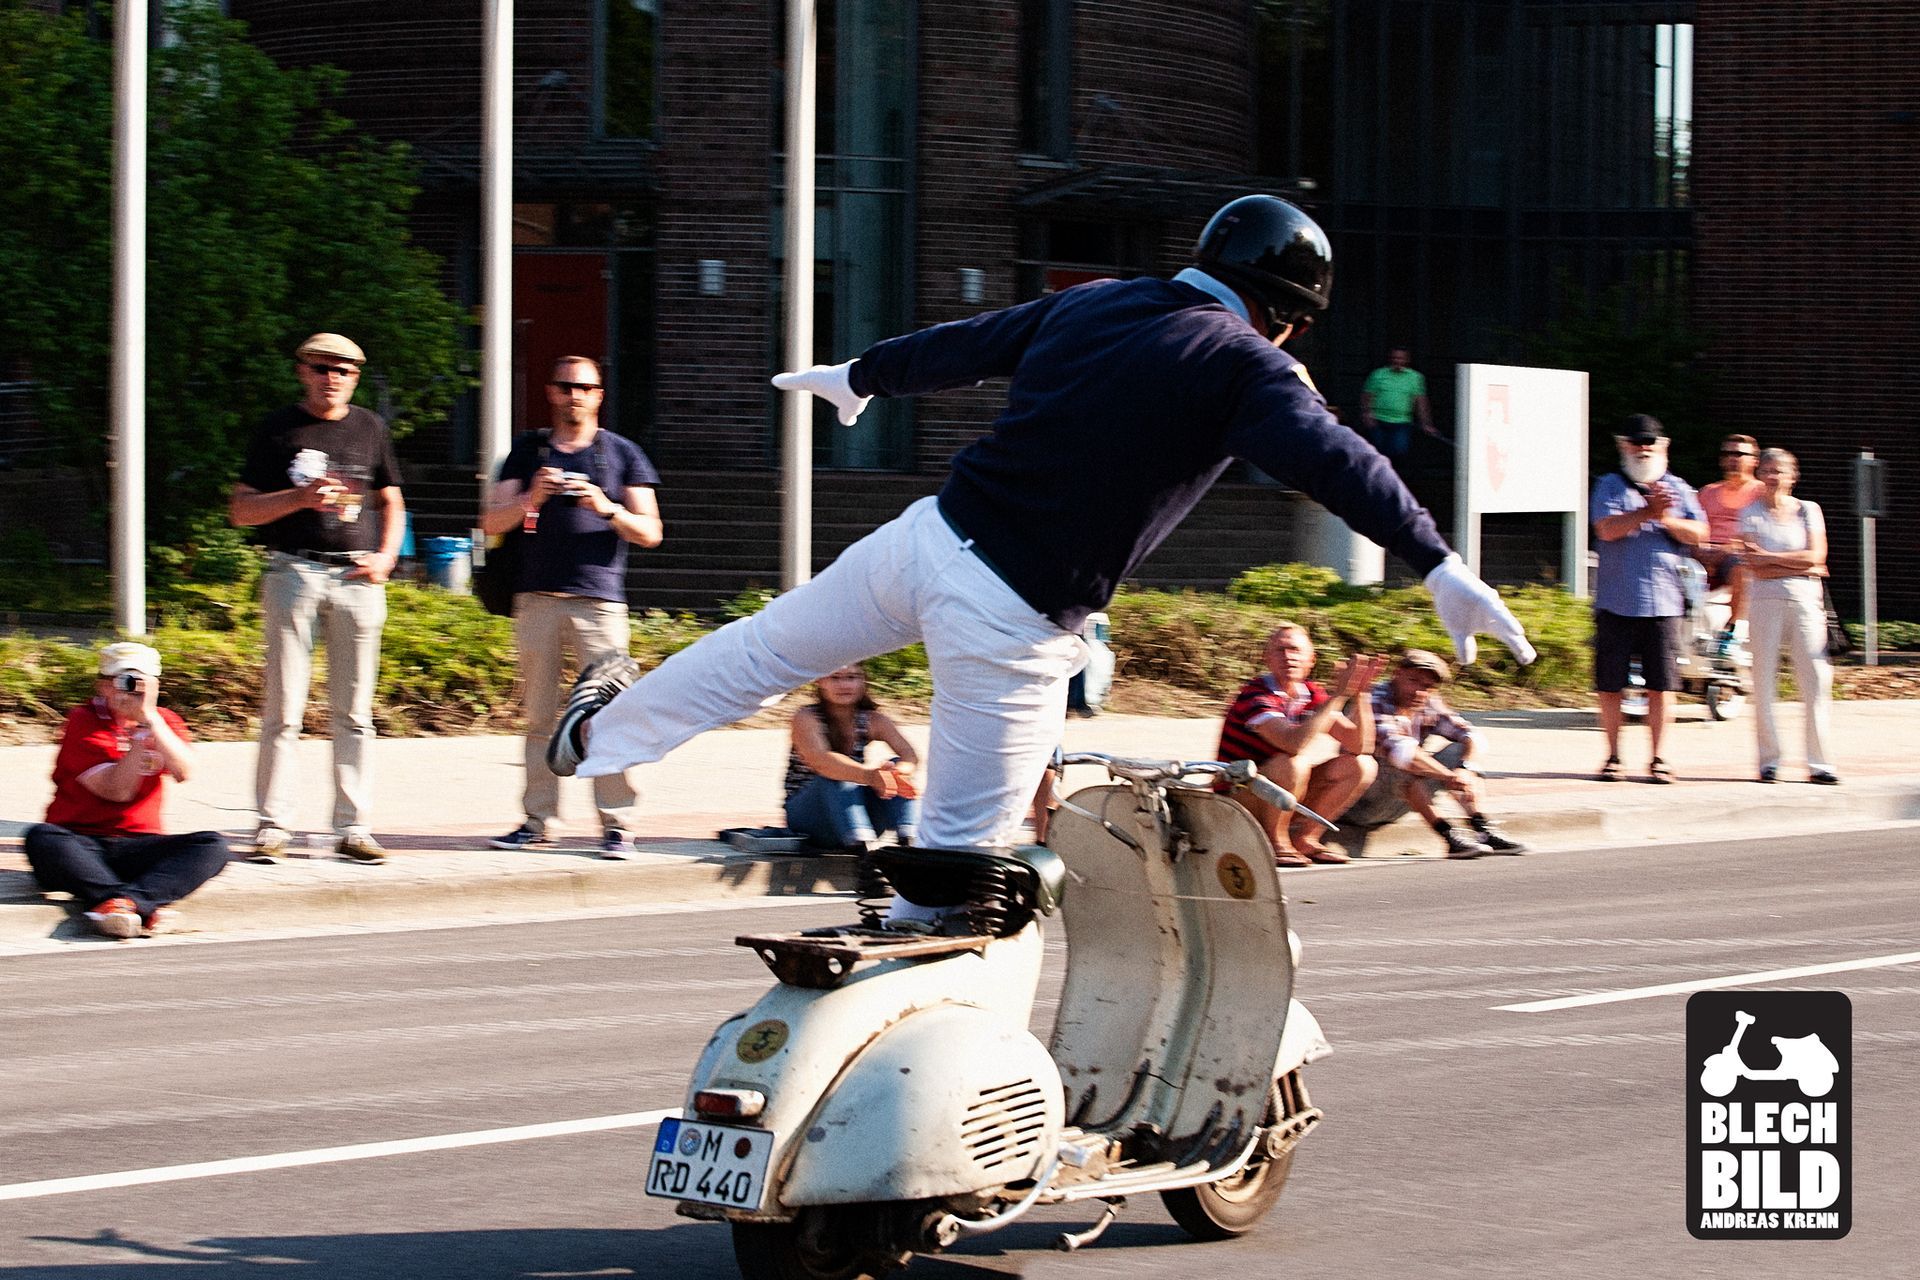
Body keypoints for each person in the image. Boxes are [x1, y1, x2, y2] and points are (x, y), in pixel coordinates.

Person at [545, 194, 1533, 925]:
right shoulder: (1248, 363)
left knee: (761, 650)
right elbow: (1338, 459)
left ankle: (597, 737)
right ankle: (916, 1083)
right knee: (964, 872)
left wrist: (859, 375)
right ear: (1289, 317)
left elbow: (967, 342)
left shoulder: (1094, 302)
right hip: (1012, 621)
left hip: (925, 539)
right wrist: (1437, 560)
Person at [230, 333, 405, 865]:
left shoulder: (370, 427)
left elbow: (391, 499)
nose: (335, 377)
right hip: (294, 571)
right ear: (303, 371)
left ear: (357, 377)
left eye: (346, 370)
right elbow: (241, 510)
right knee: (283, 708)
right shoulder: (278, 428)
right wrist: (299, 499)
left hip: (357, 580)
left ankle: (354, 826)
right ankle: (272, 825)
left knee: (353, 712)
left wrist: (386, 558)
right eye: (324, 367)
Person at [480, 355, 664, 859]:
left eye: (585, 388)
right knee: (538, 718)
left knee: (609, 714)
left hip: (599, 603)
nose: (574, 396)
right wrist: (532, 499)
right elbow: (491, 523)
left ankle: (618, 824)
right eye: (565, 386)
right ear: (551, 392)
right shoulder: (526, 452)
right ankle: (538, 820)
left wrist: (605, 507)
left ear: (599, 395)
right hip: (536, 599)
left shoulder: (621, 454)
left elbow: (651, 532)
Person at [23, 644, 229, 939]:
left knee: (213, 845)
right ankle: (139, 903)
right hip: (80, 842)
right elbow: (116, 791)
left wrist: (150, 720)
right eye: (121, 681)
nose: (129, 690)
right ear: (103, 685)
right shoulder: (83, 721)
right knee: (41, 838)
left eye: (139, 682)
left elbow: (185, 772)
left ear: (155, 686)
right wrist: (138, 742)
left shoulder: (166, 721)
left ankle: (122, 904)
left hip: (139, 844)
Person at [1590, 414, 1709, 784]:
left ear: (1664, 446)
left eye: (1651, 443)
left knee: (1662, 685)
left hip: (1664, 602)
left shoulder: (1679, 488)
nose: (1644, 449)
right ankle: (1613, 757)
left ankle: (1659, 759)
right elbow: (1607, 530)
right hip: (1615, 601)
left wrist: (1667, 520)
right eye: (1637, 442)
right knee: (1611, 685)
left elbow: (1700, 533)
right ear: (1624, 445)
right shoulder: (1609, 485)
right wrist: (1647, 512)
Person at [1215, 626, 1383, 866]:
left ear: (1311, 660)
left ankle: (1306, 838)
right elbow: (1293, 744)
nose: (1288, 657)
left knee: (1361, 765)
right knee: (1293, 763)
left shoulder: (1311, 694)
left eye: (1295, 650)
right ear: (1267, 658)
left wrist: (1361, 694)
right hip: (1235, 798)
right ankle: (1276, 841)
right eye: (1280, 650)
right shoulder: (1255, 695)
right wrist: (1338, 696)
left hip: (1275, 792)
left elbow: (1360, 746)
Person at [1343, 649, 1527, 858]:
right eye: (1413, 680)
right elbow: (1401, 751)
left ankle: (1482, 828)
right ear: (1397, 674)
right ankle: (1449, 836)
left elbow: (1470, 734)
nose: (1418, 692)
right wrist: (1448, 776)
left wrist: (1466, 768)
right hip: (1359, 802)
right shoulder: (1375, 700)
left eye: (1427, 686)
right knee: (1403, 764)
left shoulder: (1427, 701)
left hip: (1397, 800)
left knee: (1460, 752)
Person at [1737, 449, 1838, 785]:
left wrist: (1772, 558)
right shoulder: (1750, 513)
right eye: (1766, 470)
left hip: (1807, 601)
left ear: (1793, 476)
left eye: (1779, 471)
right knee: (1764, 681)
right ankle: (1769, 761)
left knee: (1815, 679)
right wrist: (1798, 563)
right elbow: (1756, 568)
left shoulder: (1809, 510)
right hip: (1765, 602)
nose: (1773, 477)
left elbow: (1817, 555)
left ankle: (1820, 763)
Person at [783, 665, 921, 851]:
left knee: (897, 770)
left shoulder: (873, 720)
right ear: (820, 681)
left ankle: (910, 841)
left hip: (856, 814)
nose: (844, 685)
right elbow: (822, 761)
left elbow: (909, 754)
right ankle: (863, 851)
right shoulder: (806, 717)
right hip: (811, 819)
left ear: (863, 681)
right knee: (836, 775)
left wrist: (897, 773)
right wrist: (871, 776)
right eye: (835, 678)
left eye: (852, 677)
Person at [1697, 433, 1764, 656]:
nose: (1733, 459)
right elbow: (1695, 527)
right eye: (1728, 454)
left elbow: (1759, 533)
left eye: (1739, 454)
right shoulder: (1708, 492)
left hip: (1738, 553)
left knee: (1740, 567)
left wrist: (1723, 552)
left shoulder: (1761, 493)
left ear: (1754, 460)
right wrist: (1700, 551)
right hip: (1703, 553)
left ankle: (1733, 630)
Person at [1358, 347, 1436, 465]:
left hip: (1401, 422)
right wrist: (1366, 413)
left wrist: (1426, 423)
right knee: (1377, 451)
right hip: (1378, 420)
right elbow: (1367, 395)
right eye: (1395, 358)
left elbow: (1420, 401)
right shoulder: (1378, 374)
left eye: (1401, 358)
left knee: (1399, 450)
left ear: (1407, 360)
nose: (1397, 361)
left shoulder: (1415, 378)